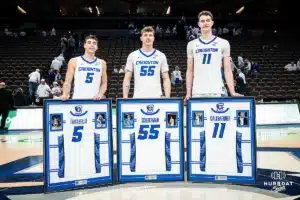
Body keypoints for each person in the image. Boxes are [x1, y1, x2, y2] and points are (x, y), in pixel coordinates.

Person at [185, 11, 242, 101]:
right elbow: (190, 71)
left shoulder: (223, 43)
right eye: (202, 21)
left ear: (212, 22)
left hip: (218, 90)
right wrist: (188, 93)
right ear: (199, 24)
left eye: (208, 20)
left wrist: (232, 92)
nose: (205, 23)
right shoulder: (191, 44)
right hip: (198, 91)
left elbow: (227, 70)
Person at [123, 26, 171, 98]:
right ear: (141, 38)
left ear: (153, 38)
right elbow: (127, 78)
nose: (148, 37)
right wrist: (125, 97)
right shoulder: (133, 55)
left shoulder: (161, 55)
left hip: (157, 97)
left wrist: (167, 97)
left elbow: (166, 78)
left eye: (150, 35)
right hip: (138, 97)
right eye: (145, 35)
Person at [61, 35, 107, 100]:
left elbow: (104, 83)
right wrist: (65, 94)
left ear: (97, 47)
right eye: (89, 42)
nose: (92, 45)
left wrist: (100, 94)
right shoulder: (74, 61)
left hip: (95, 101)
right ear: (84, 45)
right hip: (78, 99)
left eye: (94, 43)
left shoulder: (102, 63)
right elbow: (67, 82)